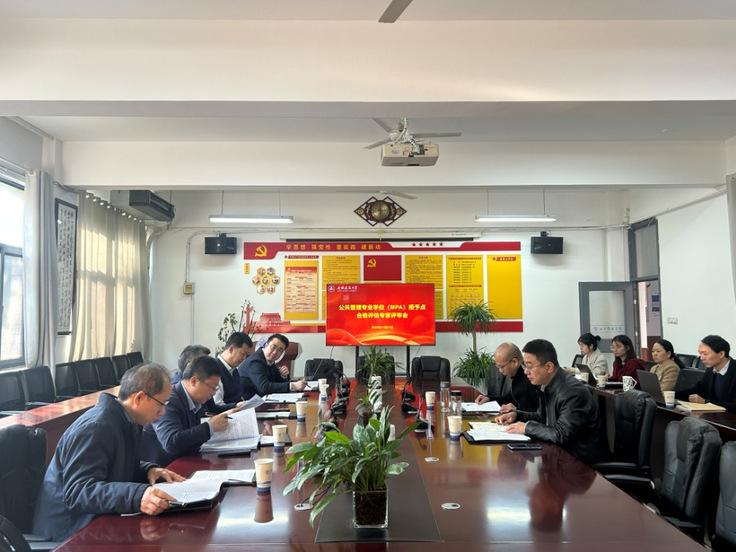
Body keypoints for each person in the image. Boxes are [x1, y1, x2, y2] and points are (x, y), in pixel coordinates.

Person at [33, 363, 185, 541]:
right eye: (161, 404)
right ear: (139, 398)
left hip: (95, 522)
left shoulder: (127, 421)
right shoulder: (96, 427)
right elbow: (78, 491)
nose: (163, 412)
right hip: (69, 533)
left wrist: (148, 470)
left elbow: (113, 466)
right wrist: (137, 496)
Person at [496, 339, 606, 465]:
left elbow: (561, 434)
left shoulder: (572, 392)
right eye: (525, 366)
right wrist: (517, 415)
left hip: (581, 465)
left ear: (548, 367)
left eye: (530, 366)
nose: (525, 371)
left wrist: (527, 427)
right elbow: (542, 417)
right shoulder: (547, 386)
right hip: (560, 458)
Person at [141, 355, 243, 466]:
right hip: (166, 467)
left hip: (189, 457)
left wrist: (234, 408)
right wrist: (209, 427)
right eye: (212, 387)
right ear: (194, 381)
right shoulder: (169, 400)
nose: (214, 393)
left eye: (216, 388)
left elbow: (213, 410)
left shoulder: (201, 396)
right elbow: (171, 442)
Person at [676, 335, 736, 412]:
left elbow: (734, 406)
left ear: (721, 354)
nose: (701, 358)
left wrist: (706, 402)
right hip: (714, 416)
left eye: (705, 354)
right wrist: (672, 395)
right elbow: (698, 390)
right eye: (700, 354)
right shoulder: (711, 370)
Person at [475, 342, 539, 413]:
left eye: (502, 367)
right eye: (498, 367)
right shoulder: (517, 375)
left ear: (514, 362)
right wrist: (488, 398)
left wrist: (518, 409)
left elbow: (542, 412)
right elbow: (509, 398)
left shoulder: (531, 378)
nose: (500, 371)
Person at [239, 333, 307, 399]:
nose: (275, 352)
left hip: (261, 400)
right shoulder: (255, 361)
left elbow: (275, 382)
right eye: (273, 347)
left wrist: (283, 375)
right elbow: (265, 387)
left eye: (279, 350)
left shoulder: (269, 361)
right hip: (247, 402)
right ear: (266, 345)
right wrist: (293, 386)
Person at [213, 332, 253, 406]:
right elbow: (217, 405)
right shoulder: (214, 369)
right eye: (243, 354)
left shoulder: (235, 371)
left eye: (246, 355)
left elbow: (238, 397)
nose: (244, 358)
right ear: (231, 349)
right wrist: (236, 406)